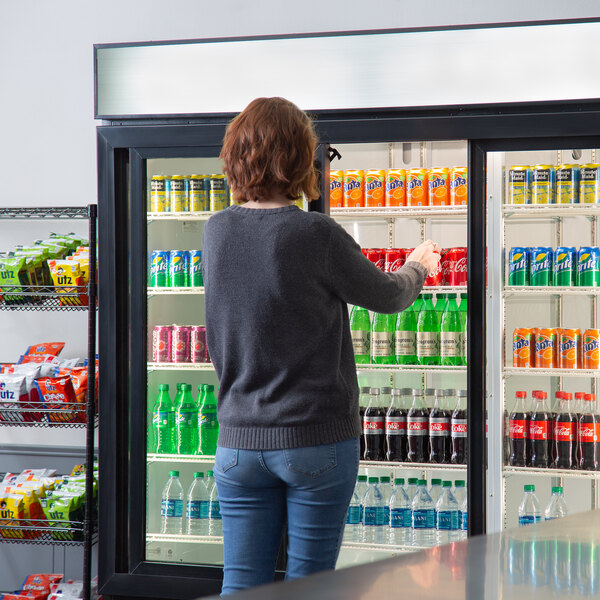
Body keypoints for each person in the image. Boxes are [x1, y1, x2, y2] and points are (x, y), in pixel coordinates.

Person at [202, 97, 440, 595]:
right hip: (314, 442)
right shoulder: (315, 233)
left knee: (240, 586)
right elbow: (387, 296)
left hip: (238, 444)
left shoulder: (217, 230)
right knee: (308, 587)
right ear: (300, 158)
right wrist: (418, 266)